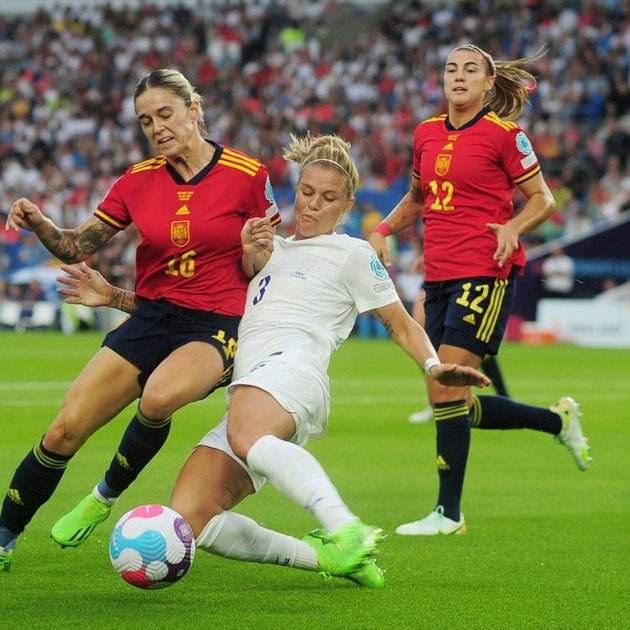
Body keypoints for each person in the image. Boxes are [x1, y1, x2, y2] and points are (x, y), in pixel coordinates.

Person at [54, 133, 490, 587]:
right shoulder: (263, 249)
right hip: (253, 389)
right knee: (192, 517)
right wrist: (114, 297)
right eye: (306, 192)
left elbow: (400, 323)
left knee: (245, 433)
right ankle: (327, 559)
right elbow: (186, 316)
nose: (313, 205)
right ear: (293, 190)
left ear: (347, 205)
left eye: (328, 198)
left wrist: (432, 366)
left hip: (292, 374)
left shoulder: (352, 254)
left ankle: (344, 526)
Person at [0, 68, 280, 571]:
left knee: (158, 397)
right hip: (151, 317)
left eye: (165, 114)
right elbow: (74, 245)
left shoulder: (248, 175)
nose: (156, 127)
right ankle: (4, 536)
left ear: (194, 109)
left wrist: (251, 253)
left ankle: (104, 495)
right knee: (64, 429)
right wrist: (40, 223)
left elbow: (264, 271)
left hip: (216, 325)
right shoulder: (137, 180)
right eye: (146, 120)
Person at [369, 44, 592, 537]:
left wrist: (514, 227)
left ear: (489, 83)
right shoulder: (426, 133)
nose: (459, 76)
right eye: (451, 68)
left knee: (443, 386)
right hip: (440, 275)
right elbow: (417, 197)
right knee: (453, 402)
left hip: (485, 271)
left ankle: (449, 514)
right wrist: (384, 229)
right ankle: (558, 422)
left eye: (471, 69)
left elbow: (543, 198)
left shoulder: (505, 135)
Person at [407, 288, 510, 424]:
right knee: (424, 339)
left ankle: (504, 397)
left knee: (476, 344)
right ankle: (437, 403)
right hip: (436, 275)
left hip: (466, 279)